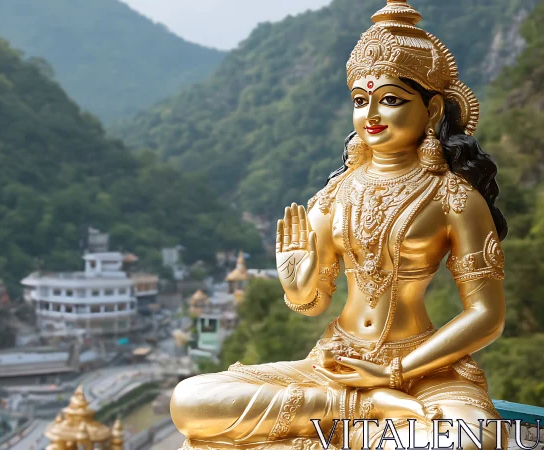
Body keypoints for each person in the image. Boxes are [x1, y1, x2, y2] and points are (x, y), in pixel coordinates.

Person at [169, 1, 508, 449]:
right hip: (336, 365)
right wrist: (298, 286)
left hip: (423, 367)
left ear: (431, 111)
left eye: (390, 100)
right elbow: (314, 304)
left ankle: (335, 427)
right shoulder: (336, 193)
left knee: (471, 439)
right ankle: (359, 412)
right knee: (189, 400)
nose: (371, 114)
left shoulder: (455, 197)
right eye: (361, 101)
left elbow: (486, 315)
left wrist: (393, 372)